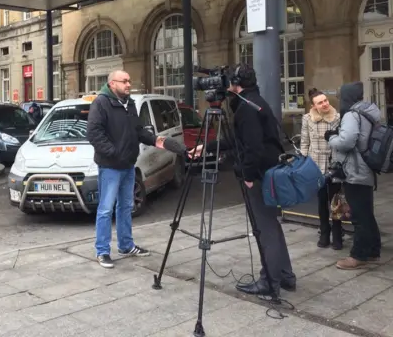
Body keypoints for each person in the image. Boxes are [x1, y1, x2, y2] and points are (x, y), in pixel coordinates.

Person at [188, 63, 296, 297]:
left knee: (265, 228)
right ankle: (285, 275)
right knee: (272, 226)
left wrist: (248, 176)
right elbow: (239, 141)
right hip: (267, 171)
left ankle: (270, 281)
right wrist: (207, 146)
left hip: (259, 176)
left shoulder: (246, 109)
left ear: (235, 84)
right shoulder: (253, 101)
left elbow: (253, 148)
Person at [86, 70, 166, 269]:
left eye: (129, 81)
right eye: (124, 81)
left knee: (125, 206)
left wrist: (155, 140)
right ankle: (102, 251)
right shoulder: (101, 103)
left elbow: (137, 130)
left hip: (129, 165)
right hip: (111, 166)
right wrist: (113, 153)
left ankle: (126, 245)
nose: (129, 84)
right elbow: (94, 133)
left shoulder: (129, 104)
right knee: (105, 209)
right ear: (112, 84)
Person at [326, 82, 381, 270]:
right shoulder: (369, 113)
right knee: (366, 212)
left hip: (355, 170)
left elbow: (347, 142)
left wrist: (331, 138)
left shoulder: (351, 114)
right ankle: (373, 249)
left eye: (341, 97)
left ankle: (359, 255)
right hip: (366, 169)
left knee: (359, 215)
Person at [300, 88, 342, 249]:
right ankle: (324, 233)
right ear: (313, 105)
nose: (324, 104)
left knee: (336, 202)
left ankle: (338, 236)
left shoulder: (337, 117)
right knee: (321, 201)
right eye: (320, 102)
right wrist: (304, 162)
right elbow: (304, 142)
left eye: (325, 100)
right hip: (316, 165)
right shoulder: (307, 119)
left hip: (334, 164)